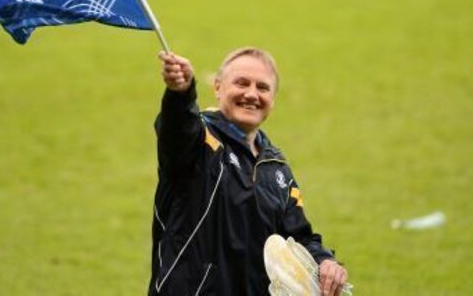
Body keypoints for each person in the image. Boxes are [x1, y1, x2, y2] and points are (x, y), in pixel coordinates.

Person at [149, 47, 348, 295]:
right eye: (241, 83)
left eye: (263, 88)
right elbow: (176, 128)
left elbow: (298, 237)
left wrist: (325, 261)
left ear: (273, 100)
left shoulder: (276, 168)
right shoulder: (198, 141)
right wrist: (181, 94)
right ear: (218, 87)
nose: (252, 94)